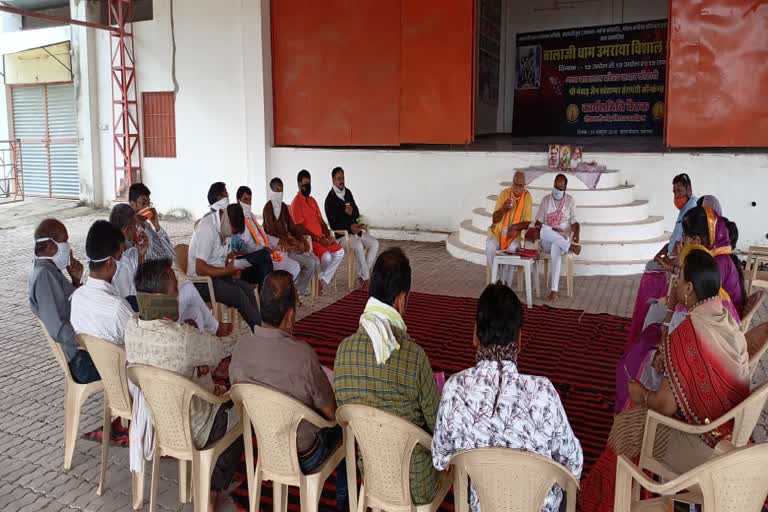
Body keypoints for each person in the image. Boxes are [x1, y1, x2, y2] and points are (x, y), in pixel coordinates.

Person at [580, 248, 750, 512]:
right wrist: (673, 363)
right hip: (729, 428)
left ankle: (617, 500)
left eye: (679, 278)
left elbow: (664, 405)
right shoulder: (725, 317)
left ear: (689, 288)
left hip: (702, 442)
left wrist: (641, 395)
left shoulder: (688, 332)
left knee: (627, 426)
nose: (676, 283)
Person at [432, 283, 583, 512]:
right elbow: (574, 463)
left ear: (474, 335)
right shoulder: (544, 392)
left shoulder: (455, 389)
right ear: (520, 341)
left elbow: (440, 457)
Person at [125, 259, 242, 511]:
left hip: (156, 418)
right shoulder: (182, 338)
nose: (179, 295)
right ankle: (211, 490)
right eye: (175, 290)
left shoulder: (131, 327)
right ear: (159, 298)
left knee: (212, 386)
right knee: (242, 412)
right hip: (195, 424)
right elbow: (216, 351)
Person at [230, 271, 348, 511]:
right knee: (348, 429)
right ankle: (345, 503)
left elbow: (238, 394)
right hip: (306, 454)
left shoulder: (241, 348)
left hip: (266, 442)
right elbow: (331, 413)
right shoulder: (302, 355)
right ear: (291, 315)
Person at [334, 247, 440, 505]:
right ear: (401, 300)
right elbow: (438, 425)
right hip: (415, 483)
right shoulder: (414, 357)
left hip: (370, 473)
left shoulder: (343, 351)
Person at [627, 174, 698, 344]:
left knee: (650, 270)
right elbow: (674, 238)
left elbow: (683, 243)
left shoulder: (692, 209)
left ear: (689, 189)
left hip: (678, 262)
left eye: (679, 191)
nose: (676, 196)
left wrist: (669, 261)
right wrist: (662, 251)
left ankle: (645, 323)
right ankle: (643, 320)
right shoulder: (685, 207)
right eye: (674, 192)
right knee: (651, 264)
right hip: (673, 258)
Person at [29, 218, 98, 384]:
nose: (68, 246)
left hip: (82, 353)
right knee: (127, 363)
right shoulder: (44, 276)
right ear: (51, 245)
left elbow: (70, 307)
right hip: (80, 362)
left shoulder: (50, 270)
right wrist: (89, 342)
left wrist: (76, 281)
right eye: (65, 241)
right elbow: (58, 328)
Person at [187, 182, 261, 330]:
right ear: (225, 218)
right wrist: (226, 271)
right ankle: (259, 332)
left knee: (246, 289)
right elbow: (200, 268)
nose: (231, 235)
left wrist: (232, 266)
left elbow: (228, 255)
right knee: (239, 295)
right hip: (201, 282)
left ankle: (259, 328)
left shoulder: (225, 224)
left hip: (217, 276)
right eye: (232, 231)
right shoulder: (206, 228)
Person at [70, 220, 135, 345]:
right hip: (117, 363)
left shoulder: (77, 297)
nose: (122, 260)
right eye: (120, 255)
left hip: (92, 360)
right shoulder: (118, 308)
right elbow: (139, 345)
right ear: (110, 262)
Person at [262, 177, 320, 297]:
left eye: (281, 190)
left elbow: (292, 227)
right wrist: (289, 242)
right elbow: (272, 233)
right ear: (271, 191)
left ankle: (297, 293)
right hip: (279, 249)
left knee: (314, 262)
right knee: (307, 264)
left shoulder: (283, 207)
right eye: (277, 190)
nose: (280, 193)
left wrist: (301, 239)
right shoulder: (267, 208)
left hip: (289, 246)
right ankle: (292, 294)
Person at [324, 166, 379, 288]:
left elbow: (357, 213)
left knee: (374, 243)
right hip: (343, 236)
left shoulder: (347, 193)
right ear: (333, 180)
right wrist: (349, 227)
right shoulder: (330, 200)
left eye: (343, 178)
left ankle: (361, 274)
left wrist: (352, 212)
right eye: (339, 178)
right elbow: (333, 224)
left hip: (355, 231)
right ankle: (366, 278)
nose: (341, 181)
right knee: (358, 245)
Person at [290, 170, 345, 293]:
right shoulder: (296, 203)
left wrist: (327, 234)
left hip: (322, 238)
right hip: (311, 241)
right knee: (326, 257)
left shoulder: (312, 200)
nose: (307, 186)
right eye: (305, 184)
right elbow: (299, 227)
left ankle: (321, 278)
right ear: (299, 184)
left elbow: (321, 221)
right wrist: (319, 239)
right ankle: (318, 280)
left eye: (309, 183)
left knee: (340, 252)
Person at [234, 186, 302, 283]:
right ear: (238, 200)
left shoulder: (251, 216)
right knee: (291, 267)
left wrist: (278, 241)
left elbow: (264, 236)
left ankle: (282, 290)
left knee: (294, 265)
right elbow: (248, 246)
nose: (248, 203)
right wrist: (264, 249)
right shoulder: (238, 220)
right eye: (245, 199)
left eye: (250, 199)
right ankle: (278, 291)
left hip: (268, 250)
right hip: (259, 256)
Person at [532, 174, 581, 301]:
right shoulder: (546, 200)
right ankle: (569, 247)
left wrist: (577, 233)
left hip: (562, 238)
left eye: (560, 188)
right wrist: (537, 229)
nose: (557, 190)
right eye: (555, 186)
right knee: (544, 230)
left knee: (556, 246)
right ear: (553, 184)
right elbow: (538, 222)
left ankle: (554, 290)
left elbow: (575, 223)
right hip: (547, 240)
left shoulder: (570, 201)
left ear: (565, 188)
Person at [485, 170, 533, 269]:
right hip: (498, 234)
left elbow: (527, 223)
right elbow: (494, 219)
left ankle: (506, 282)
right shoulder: (504, 194)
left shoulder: (527, 197)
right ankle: (497, 278)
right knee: (490, 245)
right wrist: (503, 209)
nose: (517, 188)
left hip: (514, 237)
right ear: (512, 182)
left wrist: (515, 228)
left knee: (512, 249)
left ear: (524, 185)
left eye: (520, 185)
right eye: (515, 184)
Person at [225, 203, 274, 287]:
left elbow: (251, 247)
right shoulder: (220, 231)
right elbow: (224, 257)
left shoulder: (242, 227)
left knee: (265, 262)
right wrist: (234, 256)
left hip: (241, 264)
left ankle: (263, 293)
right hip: (229, 266)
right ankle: (264, 295)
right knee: (264, 256)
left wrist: (263, 248)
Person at [110, 203, 148, 311]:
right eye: (135, 226)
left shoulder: (127, 255)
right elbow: (135, 300)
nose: (137, 230)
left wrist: (141, 256)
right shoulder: (118, 264)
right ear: (127, 230)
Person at [128, 182, 176, 261]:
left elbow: (172, 255)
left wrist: (157, 226)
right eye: (143, 203)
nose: (147, 207)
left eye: (148, 203)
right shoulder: (133, 232)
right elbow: (148, 261)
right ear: (133, 205)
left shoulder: (147, 226)